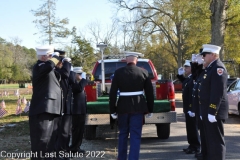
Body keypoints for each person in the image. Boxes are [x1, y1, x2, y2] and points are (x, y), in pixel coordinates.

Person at [109, 51, 154, 160]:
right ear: (136, 60)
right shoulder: (143, 72)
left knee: (123, 134)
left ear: (126, 59)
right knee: (135, 135)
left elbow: (113, 93)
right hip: (138, 107)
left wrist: (112, 110)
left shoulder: (118, 72)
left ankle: (122, 158)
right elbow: (149, 93)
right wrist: (150, 109)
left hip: (123, 107)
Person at [29, 45, 62, 159]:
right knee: (42, 140)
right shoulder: (39, 66)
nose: (53, 58)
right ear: (44, 57)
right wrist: (56, 57)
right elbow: (49, 66)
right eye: (50, 56)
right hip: (43, 108)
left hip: (51, 107)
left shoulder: (48, 68)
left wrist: (58, 60)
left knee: (51, 140)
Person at [198, 44, 228, 160]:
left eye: (205, 55)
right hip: (208, 110)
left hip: (214, 111)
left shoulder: (218, 68)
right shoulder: (210, 68)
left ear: (213, 55)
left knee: (216, 142)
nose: (203, 57)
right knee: (210, 140)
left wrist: (212, 110)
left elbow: (217, 92)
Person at [176, 60, 200, 154]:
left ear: (192, 68)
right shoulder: (189, 78)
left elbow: (193, 94)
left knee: (193, 128)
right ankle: (191, 145)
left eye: (187, 67)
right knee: (190, 128)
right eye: (185, 67)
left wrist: (192, 108)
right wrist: (180, 76)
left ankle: (196, 146)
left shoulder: (194, 78)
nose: (185, 69)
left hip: (191, 108)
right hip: (188, 108)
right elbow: (185, 82)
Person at [54, 49, 73, 159]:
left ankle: (64, 152)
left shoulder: (63, 72)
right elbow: (65, 73)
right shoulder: (55, 71)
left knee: (65, 132)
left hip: (65, 106)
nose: (61, 63)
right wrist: (67, 62)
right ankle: (59, 153)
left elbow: (70, 79)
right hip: (58, 106)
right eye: (61, 61)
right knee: (59, 133)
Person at [69, 67, 88, 154]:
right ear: (74, 74)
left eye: (81, 74)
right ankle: (73, 148)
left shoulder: (78, 82)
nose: (80, 75)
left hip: (81, 110)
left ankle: (77, 147)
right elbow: (79, 89)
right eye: (79, 74)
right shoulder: (72, 82)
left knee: (80, 130)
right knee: (76, 130)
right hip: (76, 110)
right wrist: (83, 80)